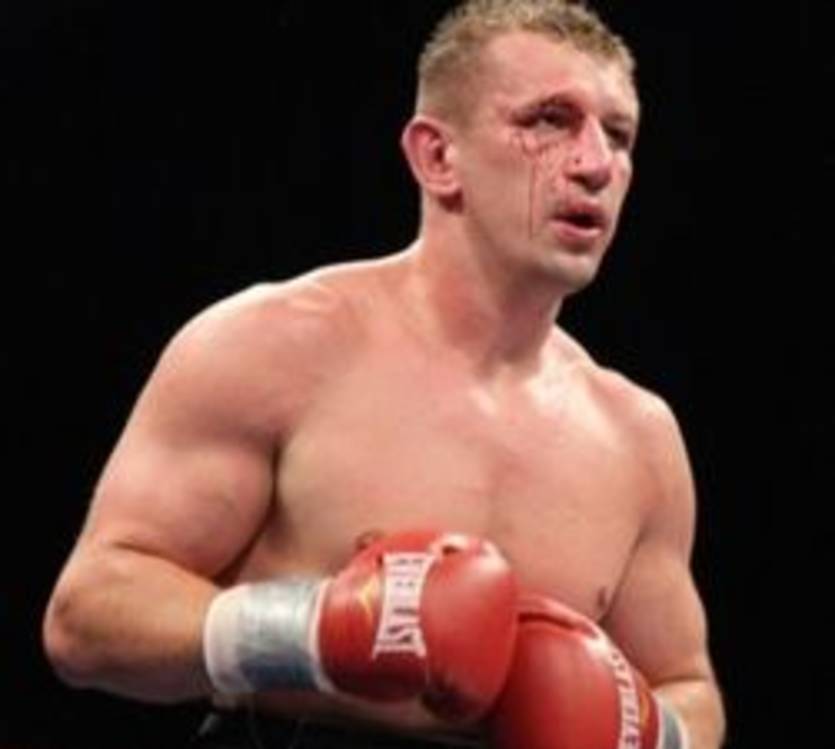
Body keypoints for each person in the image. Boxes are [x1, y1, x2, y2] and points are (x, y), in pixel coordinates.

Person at [43, 1, 726, 748]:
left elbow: (689, 689)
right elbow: (87, 616)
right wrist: (313, 631)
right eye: (549, 121)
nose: (595, 164)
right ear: (437, 158)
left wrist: (645, 731)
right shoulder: (278, 345)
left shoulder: (638, 439)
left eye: (618, 135)